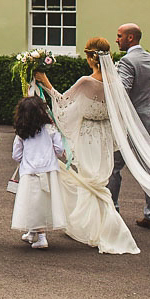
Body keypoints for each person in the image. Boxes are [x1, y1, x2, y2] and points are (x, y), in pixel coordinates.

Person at [35, 37, 140, 254]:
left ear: (92, 57)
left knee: (89, 180)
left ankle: (105, 229)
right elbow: (119, 114)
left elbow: (63, 103)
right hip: (103, 134)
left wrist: (46, 83)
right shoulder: (116, 82)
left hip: (88, 135)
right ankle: (91, 227)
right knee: (98, 179)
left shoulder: (86, 81)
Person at [108, 23, 150, 231]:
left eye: (119, 36)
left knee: (114, 167)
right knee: (148, 170)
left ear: (130, 38)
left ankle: (113, 210)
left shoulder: (127, 61)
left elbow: (122, 93)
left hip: (129, 125)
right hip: (147, 121)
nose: (117, 40)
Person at [10, 96, 67, 249]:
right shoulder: (50, 129)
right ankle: (32, 232)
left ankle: (42, 237)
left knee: (32, 203)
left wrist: (26, 159)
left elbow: (16, 155)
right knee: (42, 203)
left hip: (30, 172)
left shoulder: (22, 131)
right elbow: (60, 150)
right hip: (49, 171)